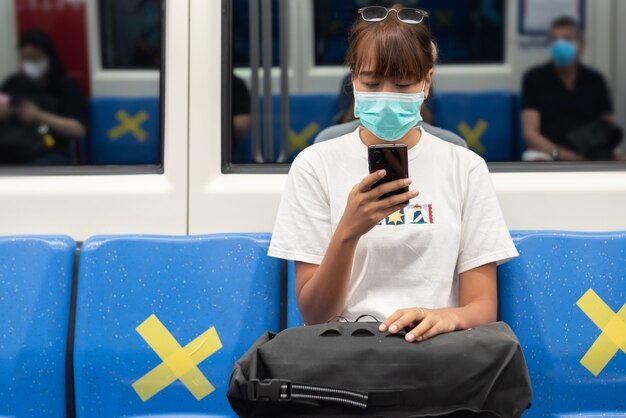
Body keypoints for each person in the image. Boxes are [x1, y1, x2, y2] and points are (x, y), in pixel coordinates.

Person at [268, 6, 518, 343]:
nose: (386, 97)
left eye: (402, 85)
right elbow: (315, 316)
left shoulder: (465, 167)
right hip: (346, 353)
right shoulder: (314, 165)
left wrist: (443, 317)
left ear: (426, 82)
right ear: (353, 78)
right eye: (371, 83)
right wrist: (348, 230)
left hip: (437, 351)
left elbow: (482, 306)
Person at [521, 16, 616, 161]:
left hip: (590, 152)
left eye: (566, 39)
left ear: (581, 46)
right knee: (534, 160)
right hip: (548, 153)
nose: (559, 44)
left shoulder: (595, 80)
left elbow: (606, 126)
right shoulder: (535, 78)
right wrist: (562, 154)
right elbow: (529, 133)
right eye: (554, 40)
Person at [0, 29, 88, 165]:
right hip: (12, 148)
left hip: (50, 150)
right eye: (25, 58)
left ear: (48, 57)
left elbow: (78, 130)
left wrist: (38, 116)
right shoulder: (12, 83)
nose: (29, 64)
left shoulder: (66, 86)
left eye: (35, 59)